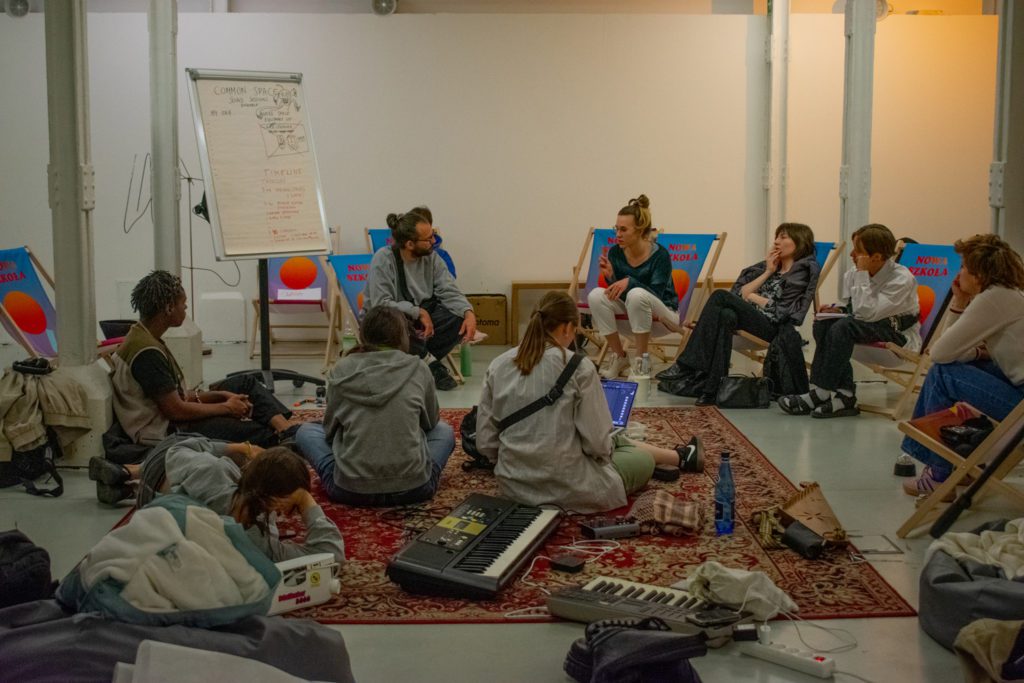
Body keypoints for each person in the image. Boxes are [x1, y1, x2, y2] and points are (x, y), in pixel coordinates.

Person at [476, 291, 703, 515]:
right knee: (640, 460)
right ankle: (676, 457)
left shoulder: (497, 365)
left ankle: (676, 456)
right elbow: (598, 445)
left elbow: (485, 442)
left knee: (613, 440)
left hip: (514, 488)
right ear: (567, 328)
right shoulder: (578, 367)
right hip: (572, 488)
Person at [110, 270, 301, 447]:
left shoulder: (143, 336)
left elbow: (180, 396)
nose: (185, 307)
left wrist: (223, 396)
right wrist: (226, 408)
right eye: (183, 303)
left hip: (177, 418)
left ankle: (285, 429)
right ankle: (283, 438)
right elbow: (176, 411)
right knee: (258, 432)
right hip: (171, 431)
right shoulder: (147, 353)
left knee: (245, 383)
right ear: (169, 308)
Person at [88, 435, 345, 564]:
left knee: (191, 444)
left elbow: (177, 448)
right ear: (277, 500)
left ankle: (129, 474)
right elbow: (331, 553)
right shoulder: (257, 537)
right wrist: (308, 503)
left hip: (158, 476)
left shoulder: (216, 470)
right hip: (151, 506)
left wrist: (240, 448)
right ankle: (129, 487)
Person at [293, 305, 456, 507]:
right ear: (403, 336)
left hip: (349, 489)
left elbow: (329, 430)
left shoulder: (341, 368)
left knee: (306, 431)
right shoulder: (419, 367)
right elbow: (430, 423)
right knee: (444, 431)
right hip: (414, 488)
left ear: (363, 335)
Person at [899, 234, 1024, 495]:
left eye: (964, 266)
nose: (960, 273)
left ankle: (940, 472)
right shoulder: (1008, 294)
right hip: (1017, 393)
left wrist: (959, 309)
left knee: (942, 373)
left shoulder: (992, 299)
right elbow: (948, 351)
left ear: (979, 274)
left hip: (1021, 408)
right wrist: (960, 306)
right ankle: (952, 465)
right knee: (948, 369)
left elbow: (940, 354)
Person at [657, 223, 820, 406]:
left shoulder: (802, 272)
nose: (776, 241)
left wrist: (752, 297)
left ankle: (685, 365)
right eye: (776, 237)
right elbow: (740, 294)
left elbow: (781, 312)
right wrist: (768, 271)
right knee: (726, 315)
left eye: (783, 237)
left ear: (799, 242)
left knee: (720, 295)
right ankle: (712, 390)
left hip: (773, 327)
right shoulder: (769, 268)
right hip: (751, 319)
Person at [778, 223, 920, 418]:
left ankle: (821, 392)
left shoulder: (901, 279)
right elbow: (855, 308)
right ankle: (845, 395)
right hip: (868, 325)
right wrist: (839, 309)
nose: (852, 255)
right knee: (823, 323)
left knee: (843, 328)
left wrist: (861, 276)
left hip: (897, 335)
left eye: (858, 251)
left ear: (876, 257)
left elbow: (866, 314)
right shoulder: (854, 272)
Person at [367, 206, 476, 390]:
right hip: (392, 321)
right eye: (428, 239)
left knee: (458, 318)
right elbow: (381, 304)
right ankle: (430, 364)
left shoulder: (433, 258)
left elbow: (449, 290)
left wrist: (468, 312)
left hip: (421, 324)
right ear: (410, 244)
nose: (434, 241)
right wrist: (418, 312)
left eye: (433, 235)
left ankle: (419, 362)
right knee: (394, 324)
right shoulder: (383, 259)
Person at [587, 195, 677, 379]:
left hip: (663, 318)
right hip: (633, 316)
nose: (617, 234)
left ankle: (641, 362)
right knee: (595, 295)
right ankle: (619, 356)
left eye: (623, 229)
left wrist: (630, 281)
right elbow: (620, 294)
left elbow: (656, 295)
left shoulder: (660, 255)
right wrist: (611, 277)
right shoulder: (615, 253)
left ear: (640, 230)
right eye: (616, 229)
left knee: (636, 294)